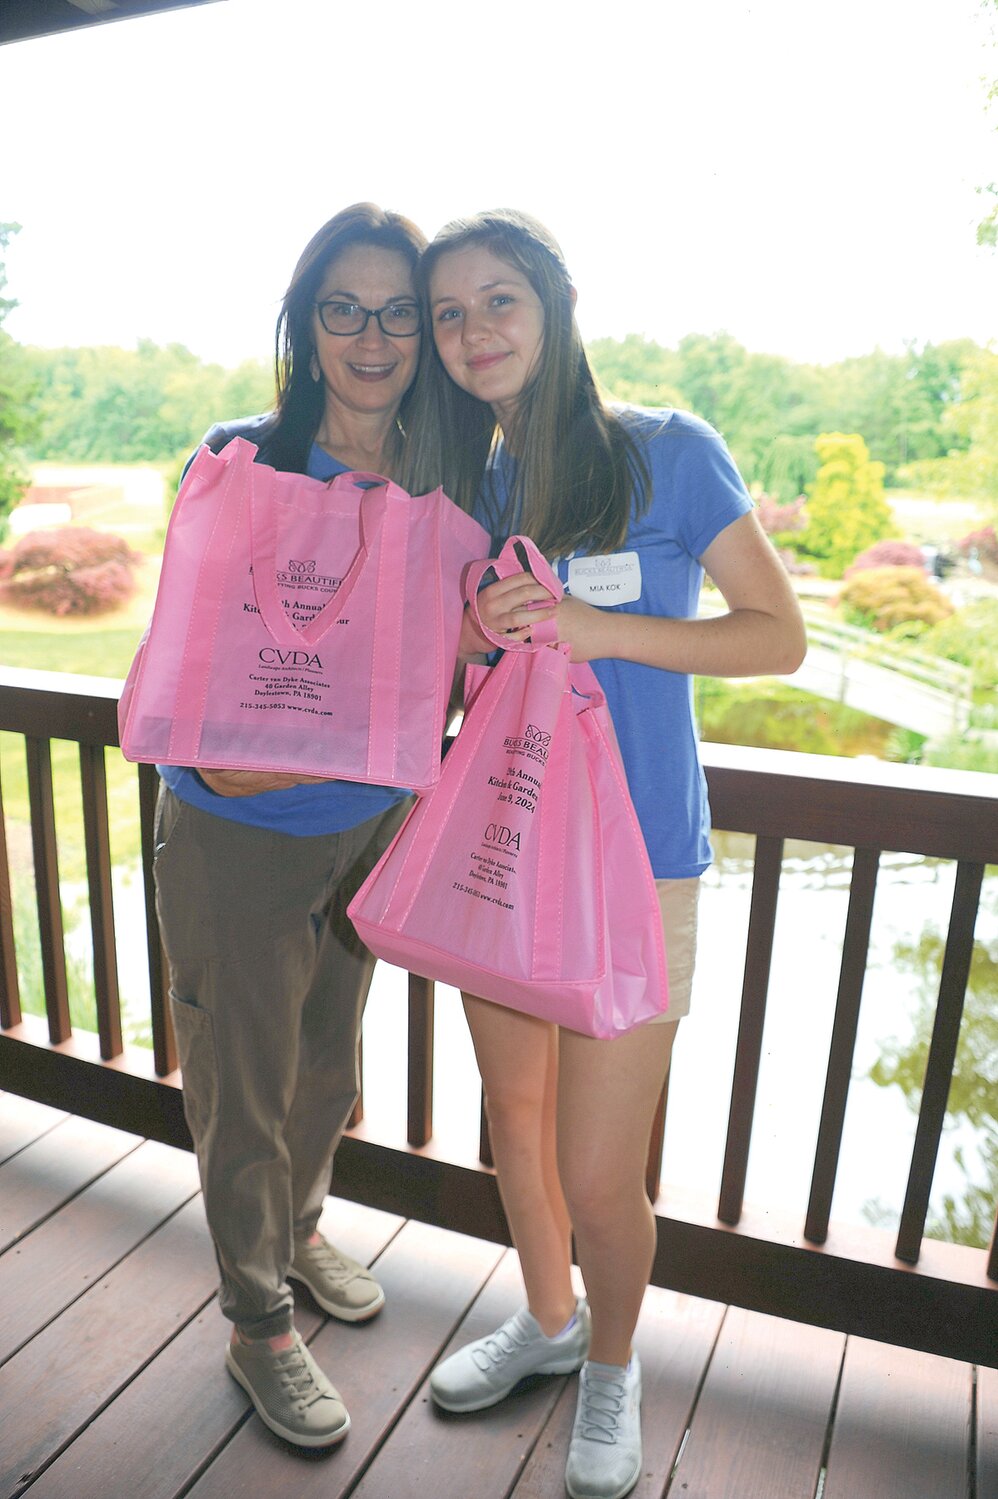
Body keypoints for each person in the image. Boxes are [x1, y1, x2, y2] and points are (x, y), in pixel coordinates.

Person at [406, 209, 807, 1499]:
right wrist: (473, 626)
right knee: (513, 1123)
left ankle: (613, 1364)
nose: (474, 332)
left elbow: (773, 637)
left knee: (595, 1163)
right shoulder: (468, 480)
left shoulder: (668, 450)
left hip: (640, 859)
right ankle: (547, 1316)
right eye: (450, 313)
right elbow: (442, 667)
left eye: (498, 301)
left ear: (555, 306)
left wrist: (601, 628)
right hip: (509, 844)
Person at [153, 203, 428, 1449]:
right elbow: (188, 655)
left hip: (367, 825)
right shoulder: (241, 461)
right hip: (236, 832)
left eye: (397, 311)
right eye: (343, 308)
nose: (370, 336)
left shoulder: (433, 479)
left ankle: (302, 1229)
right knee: (243, 1080)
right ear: (305, 324)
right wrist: (221, 756)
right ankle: (257, 1317)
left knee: (326, 1059)